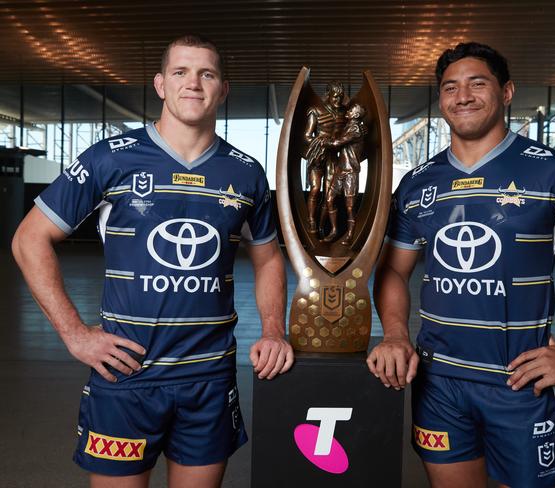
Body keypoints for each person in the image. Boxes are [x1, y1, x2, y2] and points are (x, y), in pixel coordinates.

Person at [12, 34, 293, 488]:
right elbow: (29, 239)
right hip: (126, 377)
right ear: (161, 85)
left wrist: (273, 330)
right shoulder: (110, 157)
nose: (194, 84)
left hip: (209, 379)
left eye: (207, 74)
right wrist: (75, 334)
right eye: (181, 72)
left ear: (223, 89)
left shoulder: (245, 172)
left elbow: (267, 258)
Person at [367, 42, 555, 488]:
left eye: (477, 84)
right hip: (438, 382)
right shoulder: (417, 183)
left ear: (507, 92)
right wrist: (397, 336)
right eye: (450, 87)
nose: (462, 96)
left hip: (520, 383)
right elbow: (393, 270)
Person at [304, 81, 347, 235]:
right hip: (318, 156)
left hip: (334, 158)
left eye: (341, 97)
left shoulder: (344, 113)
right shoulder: (315, 111)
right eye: (335, 97)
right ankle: (311, 221)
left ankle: (323, 226)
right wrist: (322, 142)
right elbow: (307, 136)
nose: (338, 100)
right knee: (315, 189)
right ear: (328, 96)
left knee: (329, 194)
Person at [322, 102, 368, 245]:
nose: (348, 111)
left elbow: (337, 143)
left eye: (351, 110)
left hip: (350, 172)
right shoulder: (348, 126)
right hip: (340, 170)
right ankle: (335, 230)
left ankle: (350, 234)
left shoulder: (356, 129)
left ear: (355, 115)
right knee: (329, 199)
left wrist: (324, 142)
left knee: (350, 206)